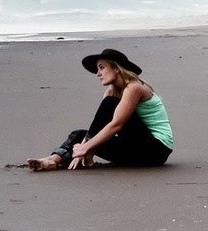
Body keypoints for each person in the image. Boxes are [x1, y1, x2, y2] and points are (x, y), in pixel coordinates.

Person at [24, 47, 173, 170]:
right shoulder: (111, 91)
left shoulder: (135, 88)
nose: (98, 74)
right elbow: (100, 125)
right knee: (79, 134)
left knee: (107, 107)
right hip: (135, 151)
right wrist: (86, 144)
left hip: (156, 151)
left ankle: (80, 155)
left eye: (102, 68)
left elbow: (116, 125)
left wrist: (86, 147)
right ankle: (52, 160)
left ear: (116, 69)